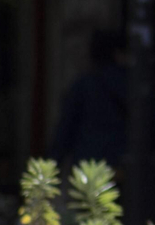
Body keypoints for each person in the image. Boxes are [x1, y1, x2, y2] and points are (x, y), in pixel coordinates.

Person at [49, 28, 130, 171]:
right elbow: (153, 121)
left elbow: (65, 130)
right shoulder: (130, 85)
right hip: (119, 164)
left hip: (87, 166)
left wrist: (50, 167)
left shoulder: (83, 85)